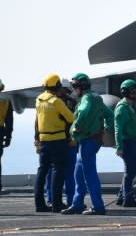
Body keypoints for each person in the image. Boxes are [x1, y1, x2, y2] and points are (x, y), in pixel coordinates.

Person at [61, 73, 114, 215]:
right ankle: (77, 204)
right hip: (91, 140)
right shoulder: (96, 97)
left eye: (74, 86)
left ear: (80, 86)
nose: (73, 89)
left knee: (89, 174)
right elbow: (109, 114)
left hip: (87, 141)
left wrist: (76, 127)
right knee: (78, 173)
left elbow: (83, 112)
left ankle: (98, 206)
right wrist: (106, 129)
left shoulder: (87, 99)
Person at [34, 74, 75, 212]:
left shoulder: (39, 100)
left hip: (44, 139)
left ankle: (40, 204)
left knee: (42, 171)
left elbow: (38, 120)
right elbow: (71, 118)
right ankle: (57, 204)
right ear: (57, 87)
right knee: (58, 170)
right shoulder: (56, 101)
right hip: (58, 139)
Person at [44, 78, 78, 207]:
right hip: (55, 141)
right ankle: (52, 199)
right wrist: (37, 139)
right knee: (51, 171)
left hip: (67, 142)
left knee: (69, 172)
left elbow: (75, 122)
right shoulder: (49, 102)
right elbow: (39, 122)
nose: (63, 92)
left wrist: (74, 139)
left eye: (65, 90)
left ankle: (70, 200)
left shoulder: (72, 102)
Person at [114, 79, 136, 207]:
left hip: (134, 141)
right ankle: (128, 200)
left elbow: (135, 125)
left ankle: (122, 197)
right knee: (130, 172)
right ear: (125, 92)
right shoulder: (122, 108)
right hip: (127, 143)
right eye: (132, 90)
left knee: (130, 171)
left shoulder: (130, 107)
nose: (135, 92)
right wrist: (119, 147)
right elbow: (118, 129)